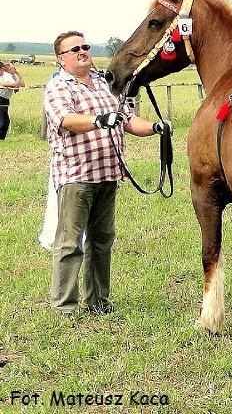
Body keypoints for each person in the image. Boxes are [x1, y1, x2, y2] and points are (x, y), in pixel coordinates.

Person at [44, 30, 171, 318]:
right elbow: (65, 120)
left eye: (85, 46)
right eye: (74, 49)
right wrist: (99, 120)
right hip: (76, 175)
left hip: (108, 172)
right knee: (69, 242)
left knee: (102, 239)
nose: (82, 52)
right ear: (61, 59)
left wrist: (155, 128)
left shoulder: (105, 84)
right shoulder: (59, 87)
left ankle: (98, 300)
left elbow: (128, 119)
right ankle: (64, 305)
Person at [0, 61, 25, 139]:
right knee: (3, 120)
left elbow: (20, 85)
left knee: (4, 120)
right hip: (2, 98)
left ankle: (2, 137)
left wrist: (18, 74)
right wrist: (13, 84)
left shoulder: (9, 76)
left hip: (4, 99)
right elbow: (3, 84)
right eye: (12, 68)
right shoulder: (6, 76)